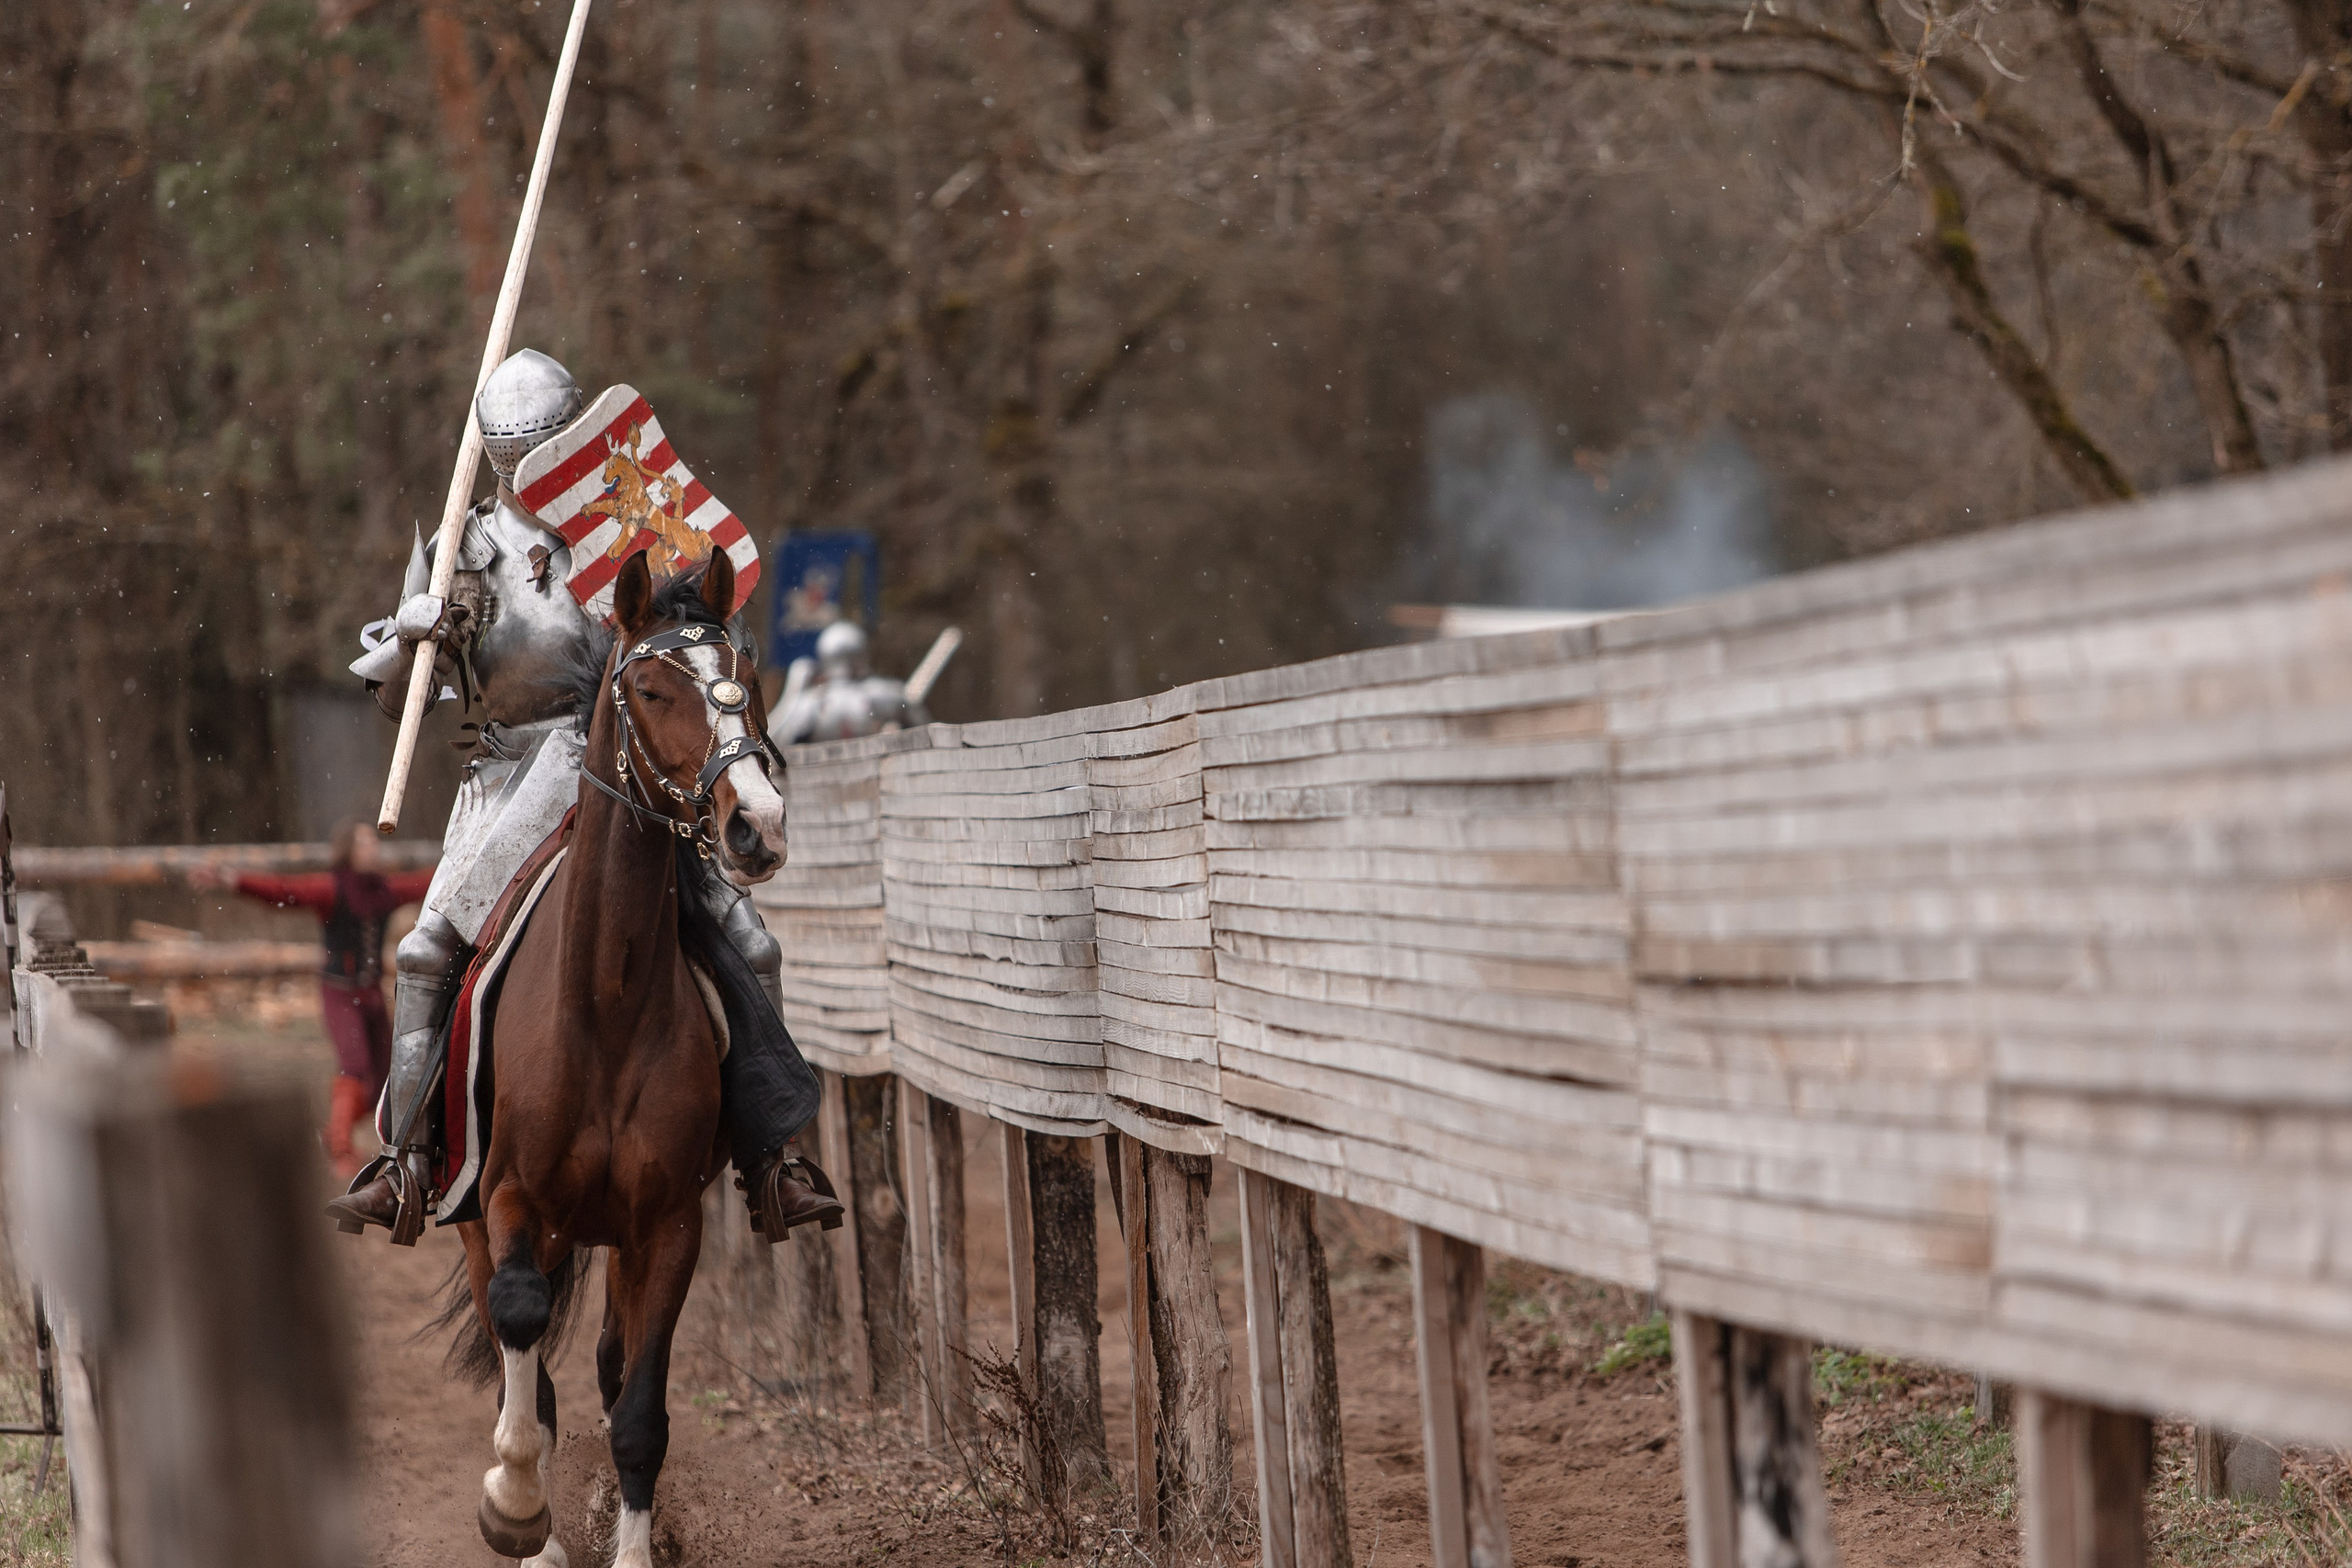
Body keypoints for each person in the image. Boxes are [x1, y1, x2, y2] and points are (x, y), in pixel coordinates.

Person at [330, 345, 842, 1244]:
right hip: (508, 775)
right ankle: (406, 1161)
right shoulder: (466, 545)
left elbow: (708, 640)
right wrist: (419, 632)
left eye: (543, 445)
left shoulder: (633, 531)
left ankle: (773, 1160)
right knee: (424, 955)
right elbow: (392, 695)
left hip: (639, 767)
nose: (526, 468)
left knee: (751, 943)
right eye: (514, 451)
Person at [190, 824, 434, 1178]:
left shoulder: (382, 890)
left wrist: (467, 856)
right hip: (339, 993)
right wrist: (233, 881)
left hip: (370, 996)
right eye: (365, 842)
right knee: (354, 1067)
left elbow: (422, 883)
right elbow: (285, 891)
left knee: (385, 1083)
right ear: (348, 850)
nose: (374, 848)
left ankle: (333, 1132)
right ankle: (340, 1149)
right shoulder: (332, 887)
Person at [768, 619, 931, 743]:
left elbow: (774, 741)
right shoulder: (890, 694)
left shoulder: (811, 703)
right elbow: (929, 736)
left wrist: (793, 692)